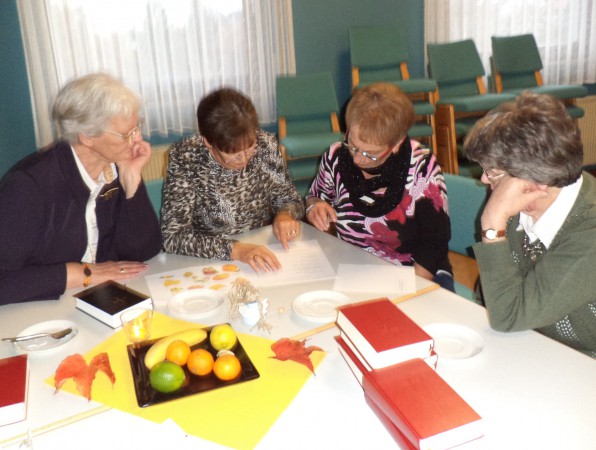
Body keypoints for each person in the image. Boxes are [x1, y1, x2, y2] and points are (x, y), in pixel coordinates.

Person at [0, 73, 162, 306]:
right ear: (86, 137)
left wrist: (131, 181)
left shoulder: (115, 163)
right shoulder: (28, 186)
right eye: (126, 135)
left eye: (137, 128)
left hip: (103, 296)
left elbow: (144, 251)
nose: (137, 140)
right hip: (42, 306)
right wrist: (82, 273)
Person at [465, 91, 596, 358]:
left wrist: (492, 226)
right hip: (531, 345)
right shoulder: (523, 205)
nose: (484, 180)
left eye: (492, 173)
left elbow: (507, 316)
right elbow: (489, 296)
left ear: (533, 182)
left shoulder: (589, 233)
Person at [305, 83, 453, 290]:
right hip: (353, 269)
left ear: (397, 143)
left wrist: (409, 290)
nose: (357, 159)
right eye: (352, 145)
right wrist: (314, 206)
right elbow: (314, 197)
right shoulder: (335, 156)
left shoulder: (421, 166)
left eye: (370, 154)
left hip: (415, 273)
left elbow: (434, 244)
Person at [160, 87, 304, 272]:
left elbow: (290, 199)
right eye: (234, 154)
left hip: (256, 246)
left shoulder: (266, 145)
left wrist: (285, 214)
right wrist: (236, 250)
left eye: (250, 148)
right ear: (208, 142)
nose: (244, 159)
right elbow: (173, 237)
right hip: (205, 261)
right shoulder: (186, 157)